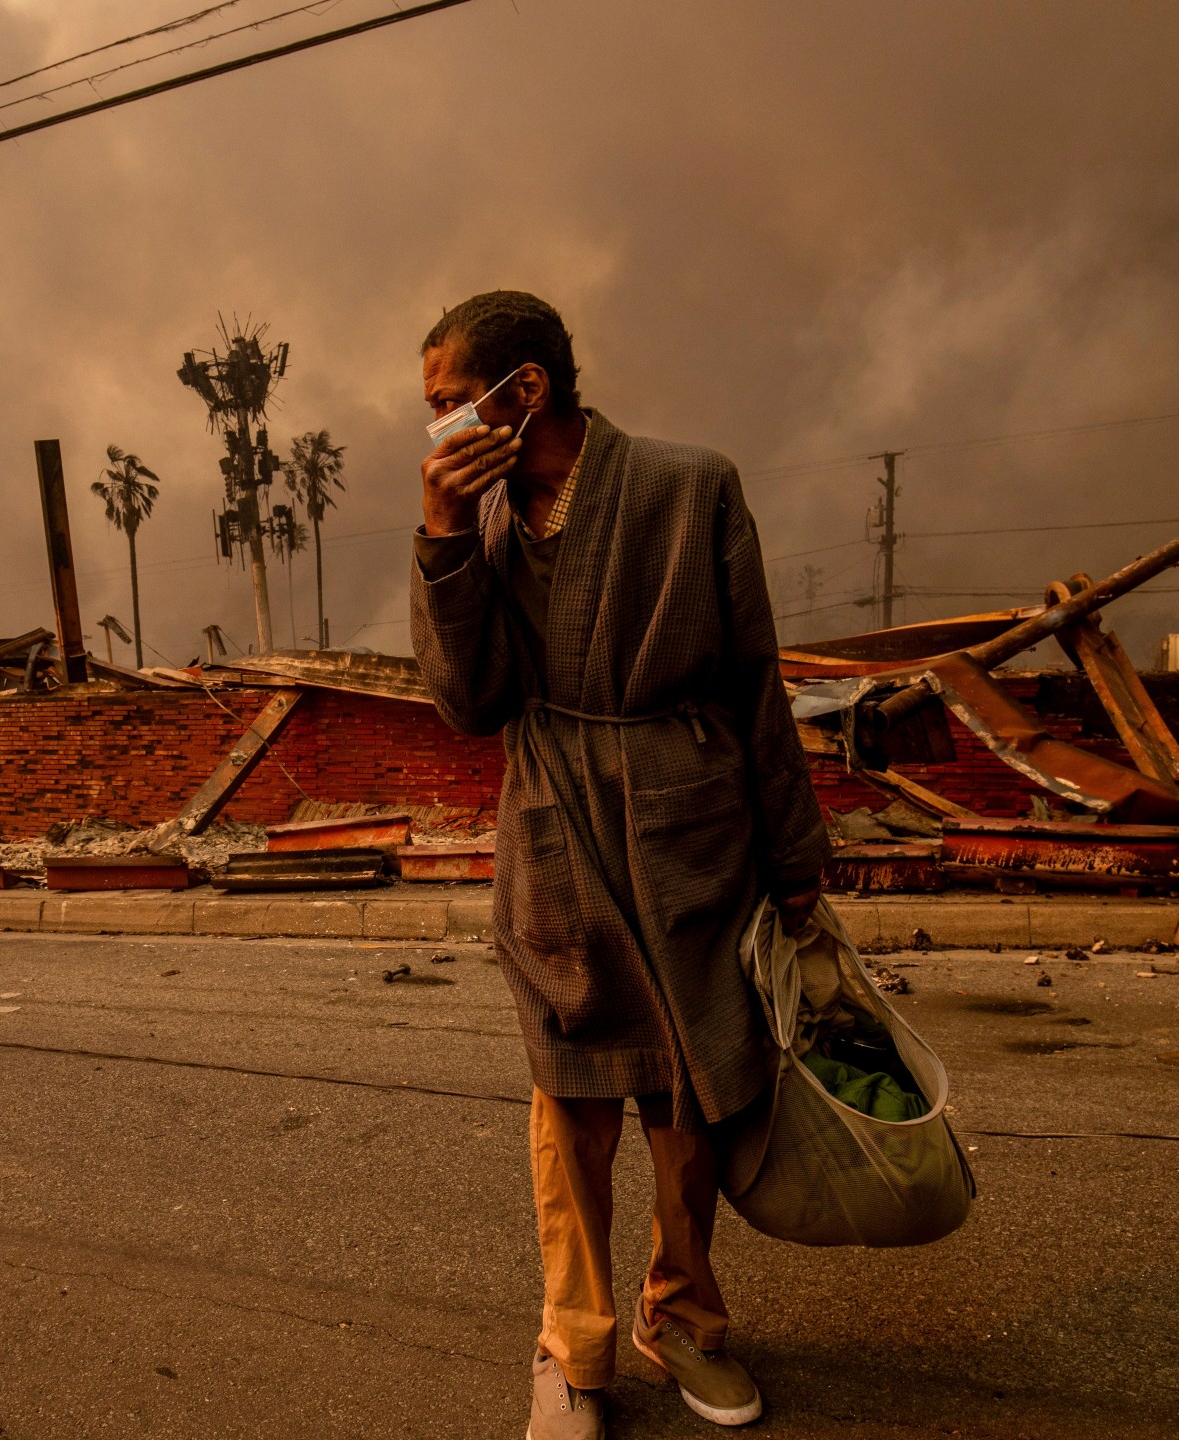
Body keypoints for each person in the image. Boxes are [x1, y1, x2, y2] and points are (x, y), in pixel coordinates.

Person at [408, 291, 828, 1438]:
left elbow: (753, 683)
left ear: (524, 388)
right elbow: (467, 703)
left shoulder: (691, 486)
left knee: (691, 1099)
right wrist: (444, 539)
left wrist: (795, 866)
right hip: (554, 826)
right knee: (571, 1105)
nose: (440, 429)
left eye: (450, 403)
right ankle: (573, 1348)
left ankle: (681, 1317)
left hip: (691, 824)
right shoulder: (480, 523)